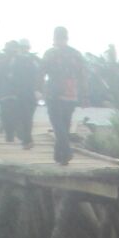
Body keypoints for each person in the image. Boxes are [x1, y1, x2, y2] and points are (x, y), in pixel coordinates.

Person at [40, 26, 86, 165]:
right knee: (65, 124)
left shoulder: (50, 53)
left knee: (57, 124)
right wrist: (84, 95)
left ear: (54, 38)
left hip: (55, 92)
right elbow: (83, 76)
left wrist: (39, 90)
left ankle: (66, 151)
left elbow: (41, 73)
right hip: (71, 93)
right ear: (67, 37)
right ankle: (60, 156)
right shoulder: (76, 54)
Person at [3, 39, 39, 149]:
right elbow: (39, 76)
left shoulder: (15, 60)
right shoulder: (34, 60)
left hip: (20, 94)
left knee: (22, 117)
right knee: (27, 117)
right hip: (30, 94)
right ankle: (27, 140)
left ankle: (26, 140)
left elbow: (10, 77)